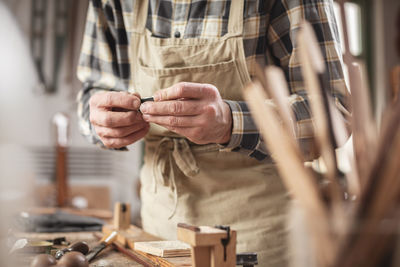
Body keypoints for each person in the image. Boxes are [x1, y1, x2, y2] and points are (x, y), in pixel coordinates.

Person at [77, 1, 349, 266]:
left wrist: (231, 122)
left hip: (263, 236)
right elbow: (92, 91)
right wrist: (101, 121)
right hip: (157, 236)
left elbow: (335, 113)